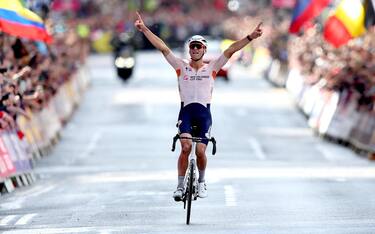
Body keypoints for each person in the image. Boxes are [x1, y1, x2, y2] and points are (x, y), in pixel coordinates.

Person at [134, 11, 263, 201]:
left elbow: (231, 50)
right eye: (192, 47)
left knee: (201, 151)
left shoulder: (212, 68)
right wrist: (144, 29)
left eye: (198, 47)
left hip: (204, 115)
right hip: (185, 113)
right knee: (185, 148)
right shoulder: (180, 66)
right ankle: (179, 186)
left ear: (204, 50)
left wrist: (251, 37)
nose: (195, 50)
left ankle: (202, 182)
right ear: (189, 50)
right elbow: (163, 47)